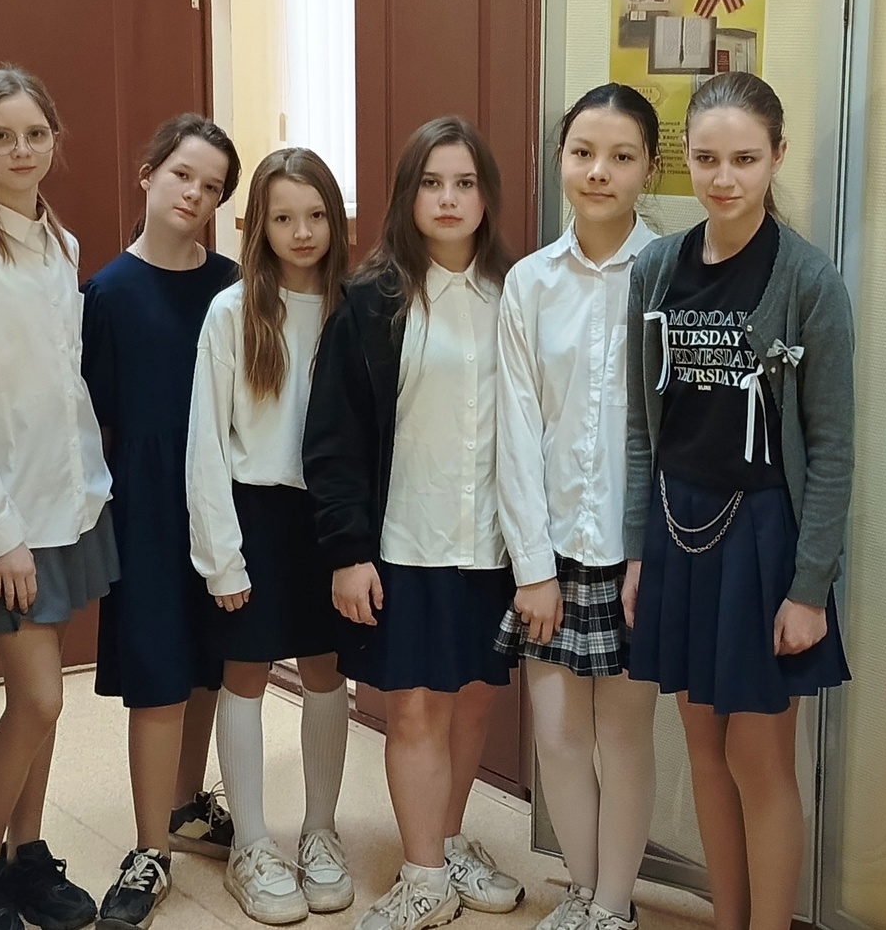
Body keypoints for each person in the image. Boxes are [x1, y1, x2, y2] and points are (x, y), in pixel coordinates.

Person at [623, 72, 851, 930]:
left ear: (777, 156)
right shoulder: (656, 269)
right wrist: (638, 550)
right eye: (708, 158)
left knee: (760, 758)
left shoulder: (809, 280)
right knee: (704, 750)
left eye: (746, 159)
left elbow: (833, 447)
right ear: (685, 159)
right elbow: (642, 426)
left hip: (764, 539)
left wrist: (809, 586)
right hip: (679, 528)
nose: (725, 178)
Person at [305, 117, 528, 930]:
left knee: (473, 701)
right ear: (408, 194)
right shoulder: (371, 303)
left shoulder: (516, 294)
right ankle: (424, 874)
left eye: (464, 183)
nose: (449, 198)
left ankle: (450, 838)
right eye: (432, 182)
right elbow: (333, 440)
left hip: (492, 545)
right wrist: (347, 551)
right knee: (413, 708)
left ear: (486, 196)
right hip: (404, 545)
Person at [0, 66, 117, 930]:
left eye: (34, 134)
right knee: (37, 697)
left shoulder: (61, 244)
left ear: (53, 140)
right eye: (0, 136)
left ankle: (28, 855)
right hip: (4, 517)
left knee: (45, 703)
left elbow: (62, 384)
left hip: (69, 500)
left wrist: (90, 485)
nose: (20, 149)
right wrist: (0, 534)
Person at [494, 84, 664, 930]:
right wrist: (532, 565)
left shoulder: (673, 274)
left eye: (621, 156)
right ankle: (588, 895)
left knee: (625, 734)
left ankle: (612, 902)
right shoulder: (529, 283)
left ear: (649, 169)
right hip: (552, 546)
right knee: (557, 732)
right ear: (559, 159)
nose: (599, 171)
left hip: (638, 552)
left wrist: (650, 551)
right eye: (583, 152)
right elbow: (515, 427)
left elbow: (679, 433)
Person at [187, 147, 359, 924]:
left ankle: (320, 830)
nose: (302, 231)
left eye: (316, 214)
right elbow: (206, 442)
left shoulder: (355, 306)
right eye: (283, 217)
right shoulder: (232, 311)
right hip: (253, 513)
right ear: (257, 223)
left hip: (330, 515)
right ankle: (252, 843)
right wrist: (221, 557)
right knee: (247, 671)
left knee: (326, 669)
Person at [81, 115, 243, 930]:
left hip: (223, 496)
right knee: (157, 668)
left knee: (209, 657)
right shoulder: (108, 292)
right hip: (145, 500)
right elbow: (99, 416)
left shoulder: (232, 284)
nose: (195, 194)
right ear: (148, 172)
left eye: (213, 187)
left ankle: (186, 803)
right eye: (183, 174)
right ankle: (150, 848)